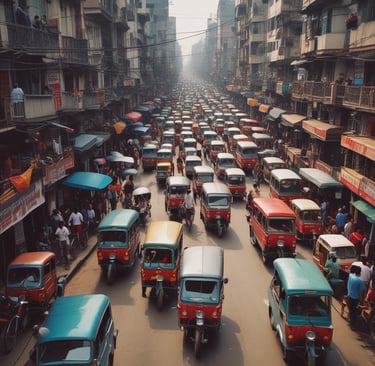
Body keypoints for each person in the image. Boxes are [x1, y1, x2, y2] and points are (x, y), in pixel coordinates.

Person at [346, 264, 366, 330]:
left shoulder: (351, 276)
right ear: (360, 272)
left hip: (349, 296)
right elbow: (361, 293)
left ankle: (351, 323)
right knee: (354, 312)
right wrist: (361, 302)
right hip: (355, 299)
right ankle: (353, 325)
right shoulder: (360, 282)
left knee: (351, 311)